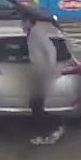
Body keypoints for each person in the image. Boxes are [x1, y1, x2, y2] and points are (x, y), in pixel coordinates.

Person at [24, 15, 64, 145]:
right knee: (35, 105)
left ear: (29, 22)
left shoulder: (37, 33)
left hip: (41, 72)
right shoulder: (32, 33)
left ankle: (51, 129)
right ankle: (51, 129)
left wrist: (50, 68)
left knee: (37, 105)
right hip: (37, 72)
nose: (22, 25)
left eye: (23, 22)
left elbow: (50, 49)